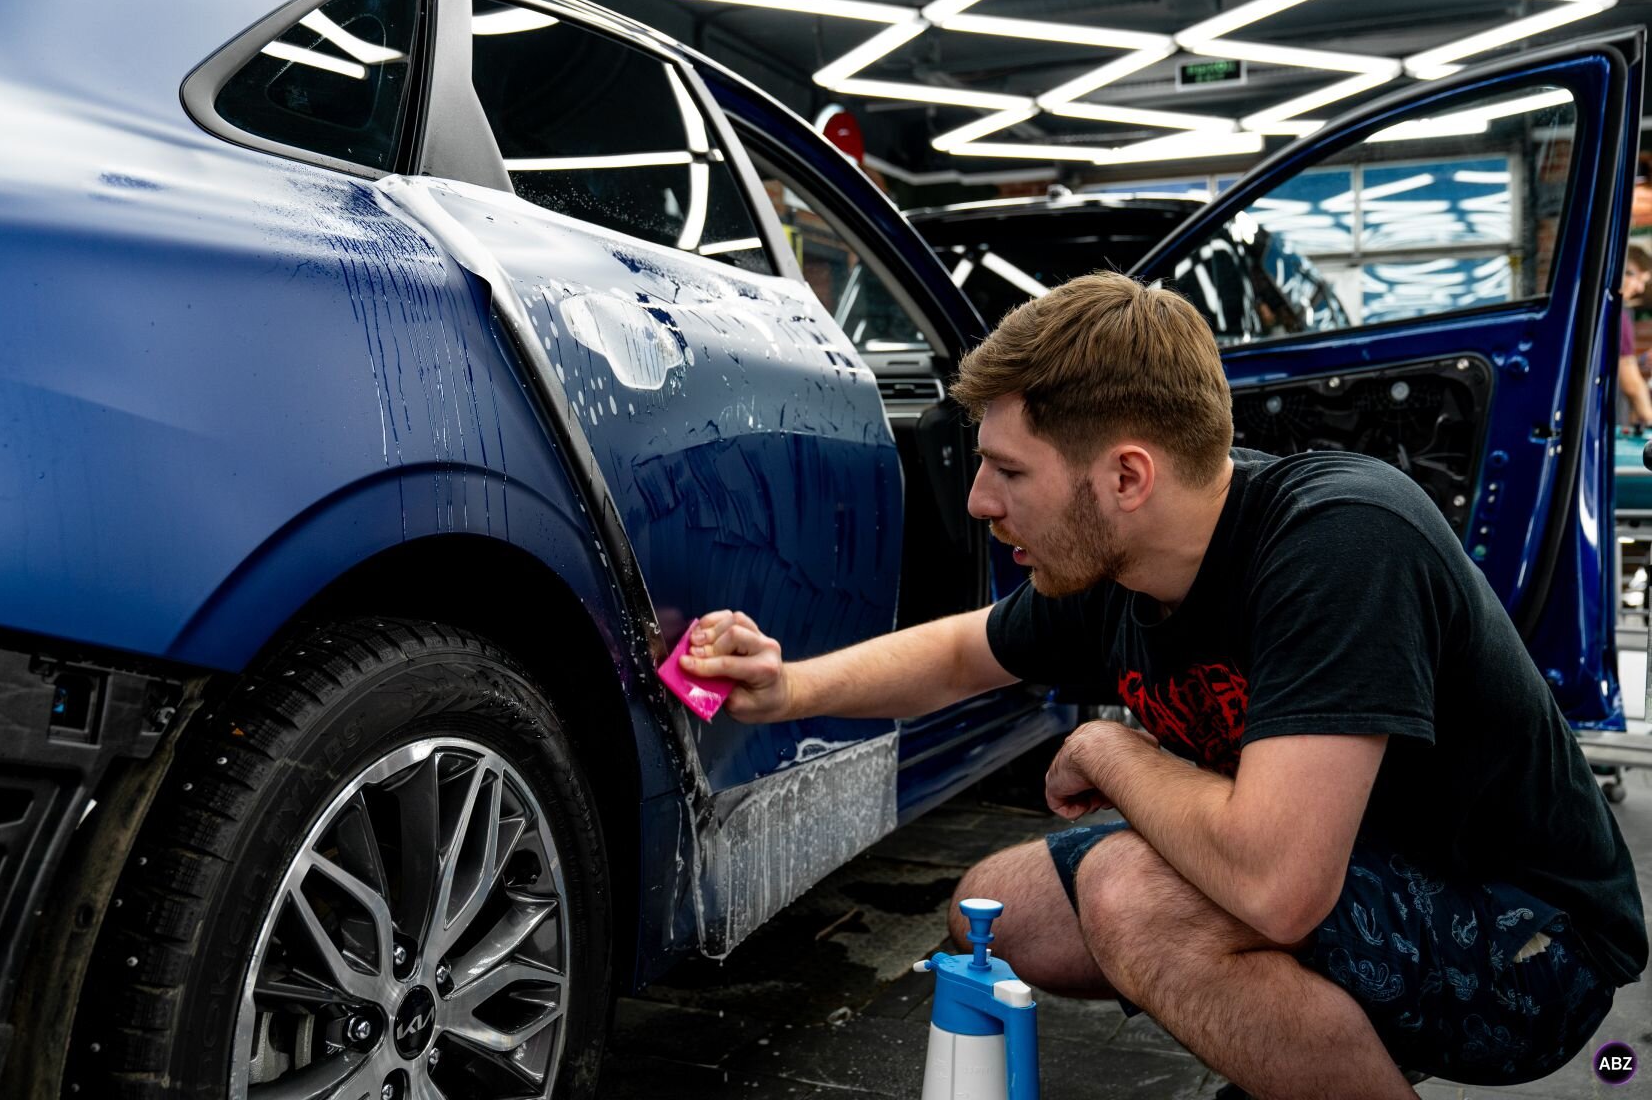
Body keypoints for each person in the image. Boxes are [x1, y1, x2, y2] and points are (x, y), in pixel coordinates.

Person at [681, 272, 1645, 1098]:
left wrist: (1112, 749)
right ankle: (1302, 1034)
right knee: (1000, 906)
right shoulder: (1118, 561)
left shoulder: (1338, 542)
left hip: (1531, 938)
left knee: (1133, 898)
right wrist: (786, 688)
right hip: (1359, 877)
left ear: (1127, 477)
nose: (978, 502)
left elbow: (1278, 889)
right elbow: (958, 655)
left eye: (1008, 470)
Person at [1618, 243, 1652, 429]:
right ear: (1625, 270)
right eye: (1639, 280)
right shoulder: (1619, 314)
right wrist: (1649, 418)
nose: (1639, 289)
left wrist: (1640, 360)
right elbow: (1630, 383)